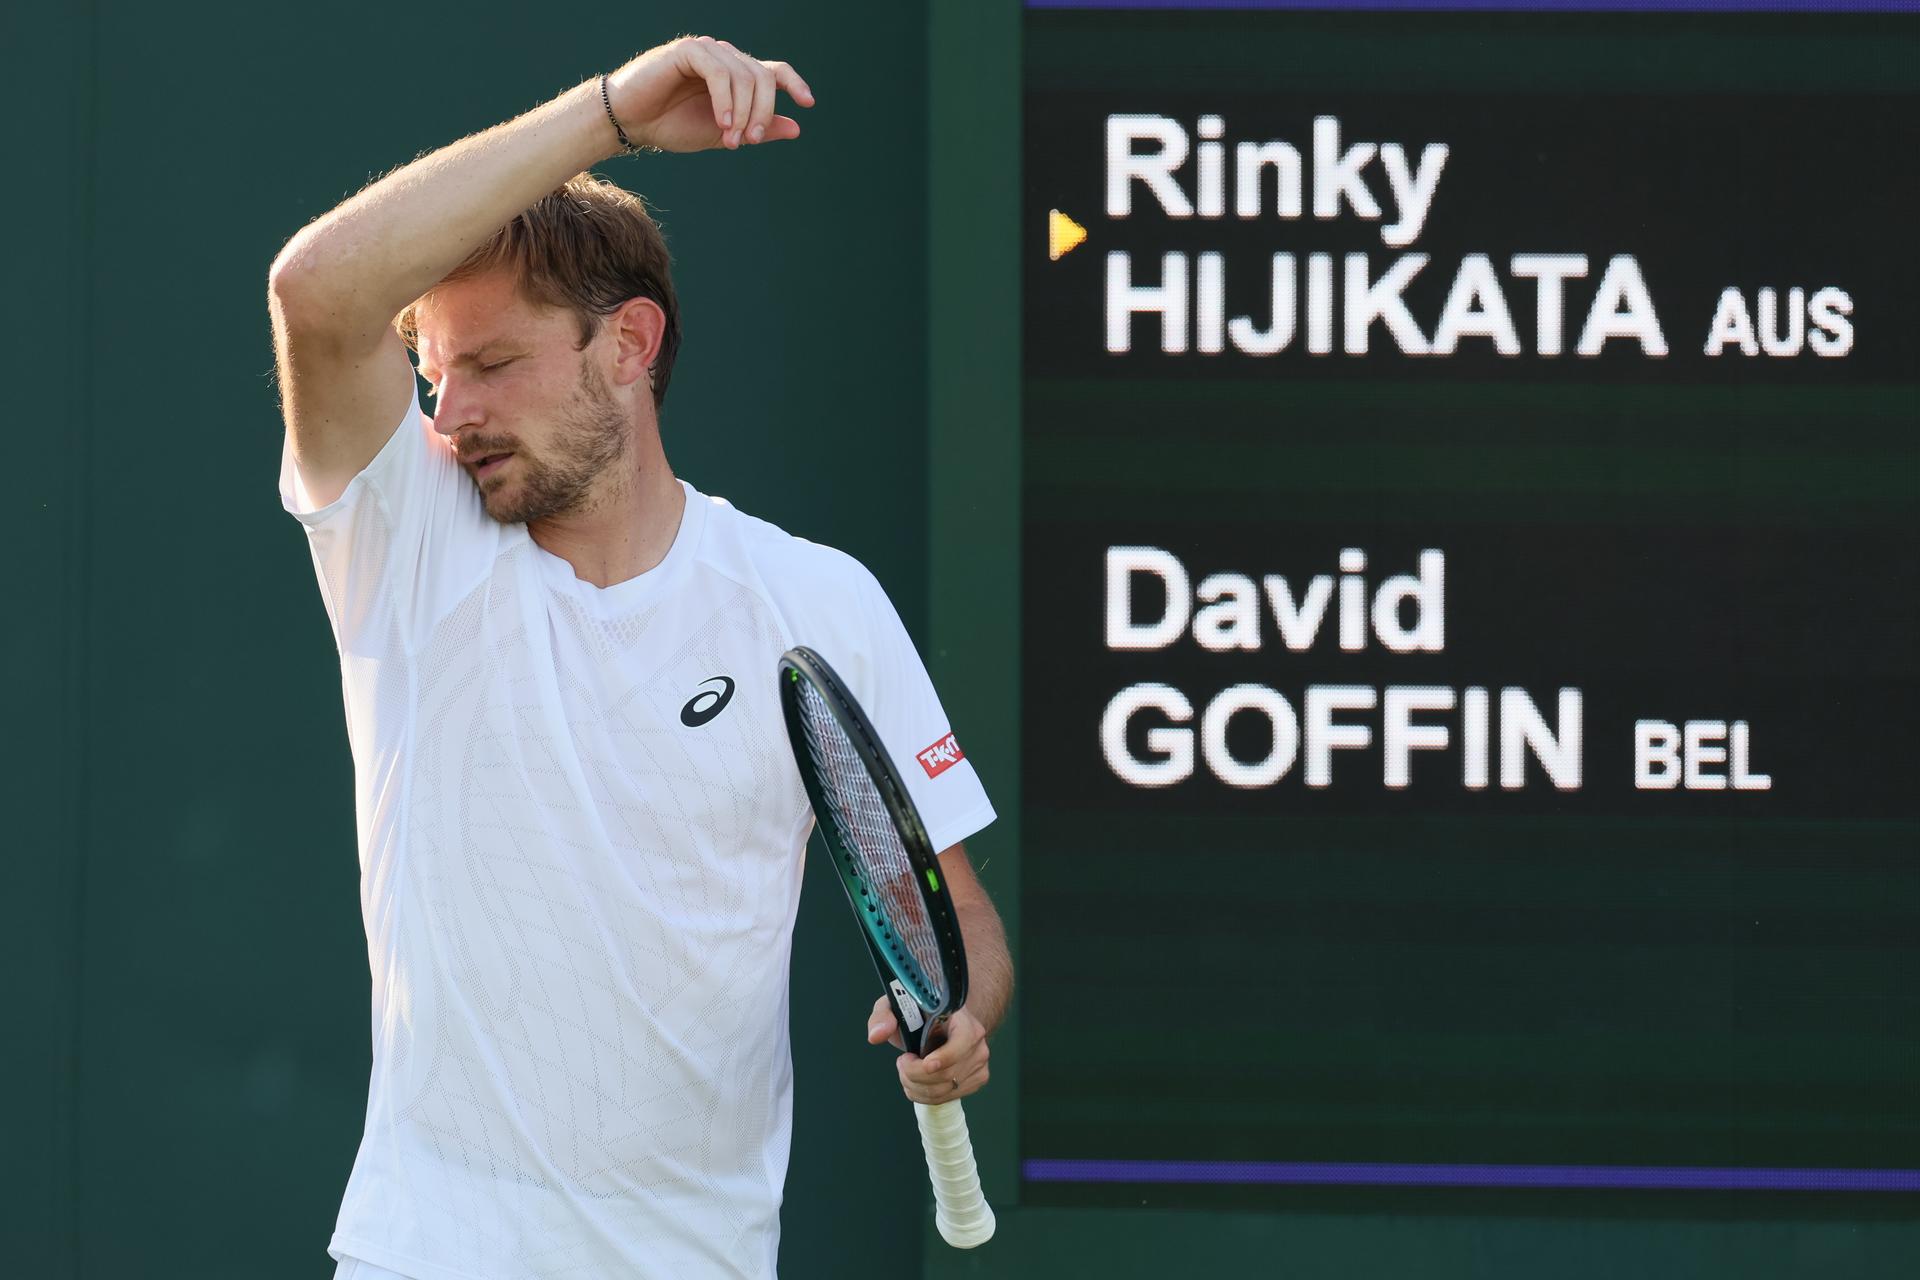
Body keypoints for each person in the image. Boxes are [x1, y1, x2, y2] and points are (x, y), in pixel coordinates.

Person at [268, 36, 1011, 1280]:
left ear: (630, 344)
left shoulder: (818, 598)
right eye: (434, 376)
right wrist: (608, 116)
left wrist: (965, 1012)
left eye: (494, 364)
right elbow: (314, 291)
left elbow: (957, 917)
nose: (451, 416)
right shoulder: (409, 539)